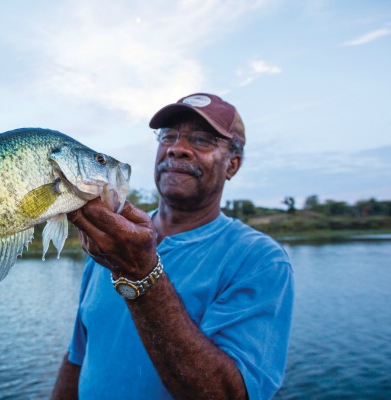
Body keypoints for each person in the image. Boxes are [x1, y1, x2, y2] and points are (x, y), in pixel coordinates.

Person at [51, 93, 294, 400]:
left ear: (232, 165)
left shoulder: (260, 260)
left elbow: (228, 395)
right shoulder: (110, 244)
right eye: (168, 136)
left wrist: (140, 272)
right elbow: (78, 355)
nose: (178, 148)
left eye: (202, 140)